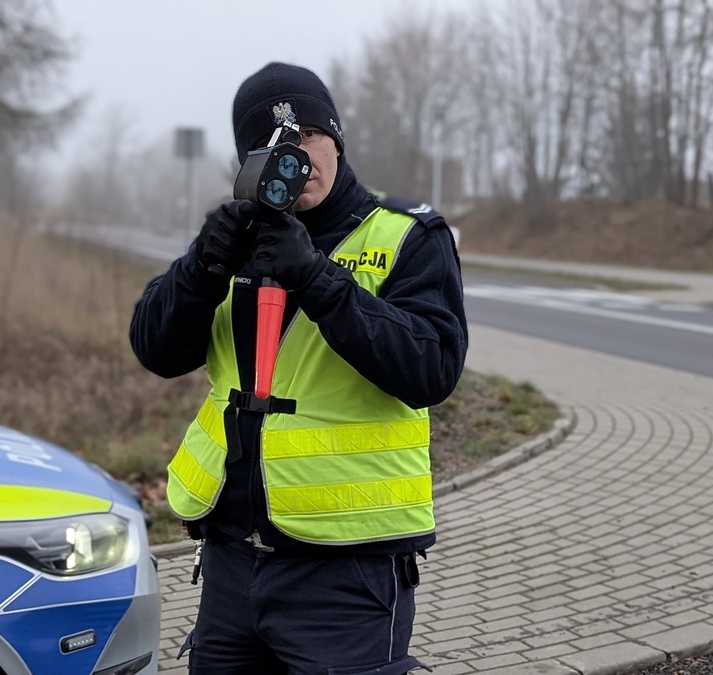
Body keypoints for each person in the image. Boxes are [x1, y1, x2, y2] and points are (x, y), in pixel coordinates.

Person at [128, 62, 468, 674]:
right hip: (232, 562)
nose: (298, 156)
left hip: (347, 572)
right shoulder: (236, 240)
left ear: (336, 139)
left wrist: (316, 277)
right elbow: (156, 349)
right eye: (273, 143)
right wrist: (202, 267)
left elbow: (432, 368)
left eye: (309, 133)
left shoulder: (406, 237)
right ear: (248, 160)